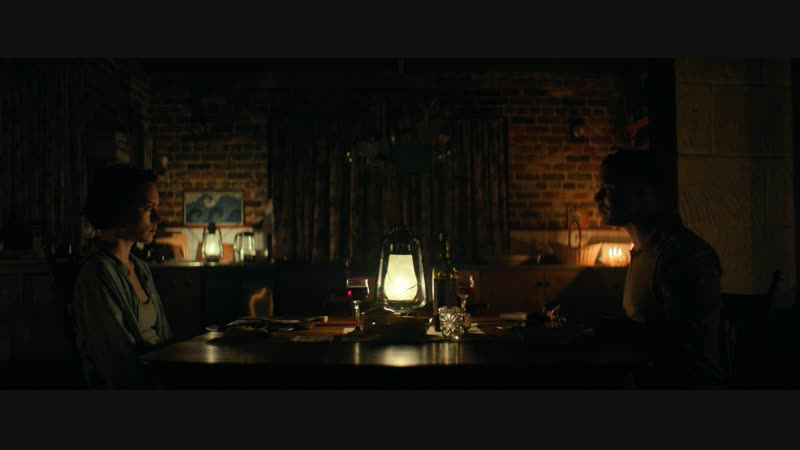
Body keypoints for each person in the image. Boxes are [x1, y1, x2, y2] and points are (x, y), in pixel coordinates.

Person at [593, 150, 724, 388]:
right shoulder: (645, 251)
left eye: (608, 188)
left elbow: (685, 345)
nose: (597, 197)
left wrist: (619, 330)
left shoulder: (682, 255)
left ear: (642, 193)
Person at [72, 164, 172, 389]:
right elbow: (117, 362)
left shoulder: (141, 268)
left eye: (156, 208)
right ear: (120, 210)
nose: (157, 218)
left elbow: (166, 339)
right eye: (148, 208)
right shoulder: (97, 273)